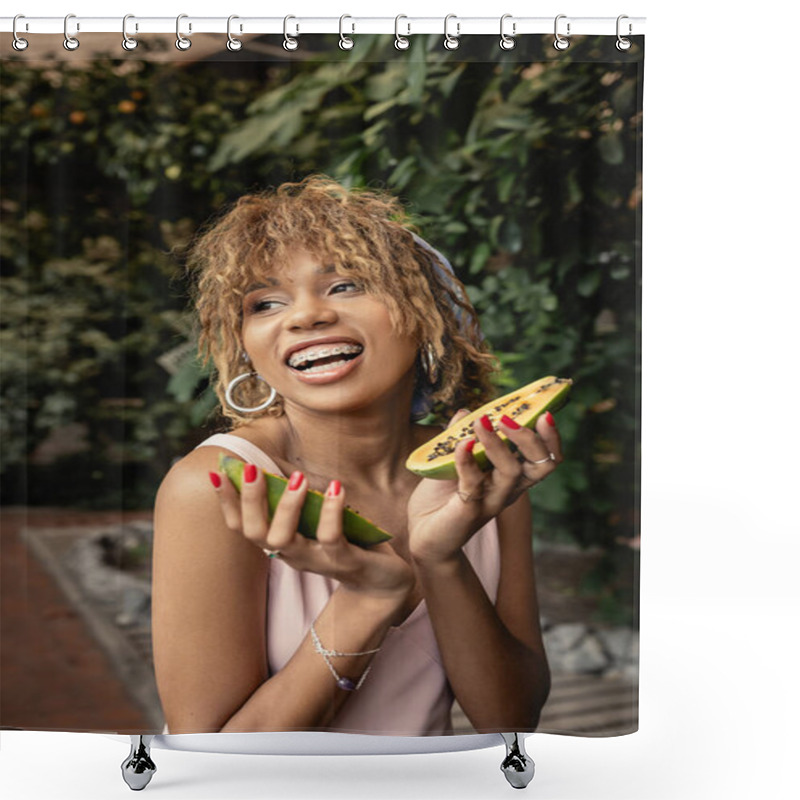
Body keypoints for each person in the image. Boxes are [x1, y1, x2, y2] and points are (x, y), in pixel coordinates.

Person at [152, 175, 561, 736]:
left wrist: (440, 558)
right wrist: (370, 599)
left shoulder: (483, 469)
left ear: (425, 314)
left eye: (345, 285)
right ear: (246, 346)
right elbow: (214, 762)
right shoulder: (215, 485)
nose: (305, 316)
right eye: (265, 303)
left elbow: (510, 719)